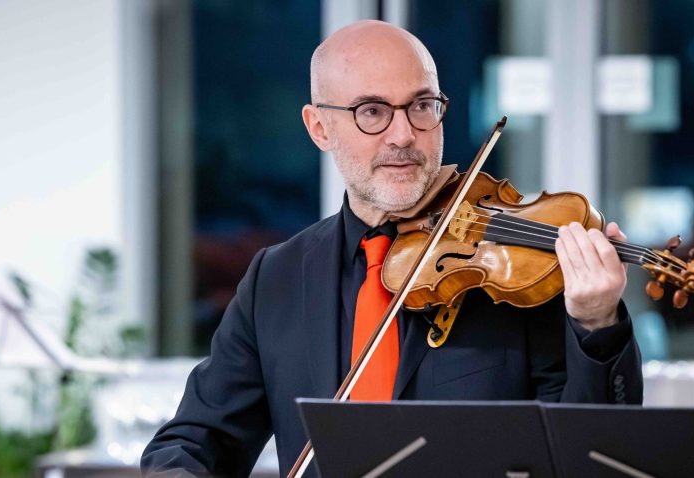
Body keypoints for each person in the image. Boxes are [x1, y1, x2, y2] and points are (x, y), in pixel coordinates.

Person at [141, 20, 642, 478]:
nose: (404, 135)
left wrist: (596, 324)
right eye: (372, 112)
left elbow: (589, 457)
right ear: (319, 127)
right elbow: (192, 442)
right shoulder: (275, 279)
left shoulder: (516, 272)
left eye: (422, 106)